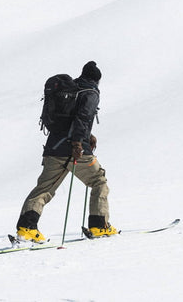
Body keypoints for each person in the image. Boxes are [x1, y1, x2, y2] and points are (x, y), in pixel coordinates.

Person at [16, 61, 117, 242]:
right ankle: (99, 226)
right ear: (97, 79)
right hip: (75, 150)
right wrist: (79, 142)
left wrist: (89, 135)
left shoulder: (71, 90)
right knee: (99, 181)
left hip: (53, 148)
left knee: (44, 189)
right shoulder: (91, 92)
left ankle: (27, 228)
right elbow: (83, 118)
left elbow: (69, 121)